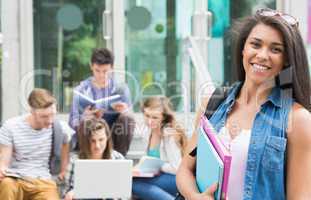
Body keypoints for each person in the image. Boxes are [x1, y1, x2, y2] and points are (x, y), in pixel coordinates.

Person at [176, 8, 311, 200]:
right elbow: (185, 170)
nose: (262, 55)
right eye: (255, 44)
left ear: (287, 59)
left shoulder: (298, 119)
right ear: (243, 49)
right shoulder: (213, 102)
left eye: (276, 49)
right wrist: (195, 196)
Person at [0, 88, 72, 199]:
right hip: (15, 178)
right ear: (32, 111)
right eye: (44, 116)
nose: (50, 120)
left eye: (52, 115)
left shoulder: (61, 128)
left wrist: (63, 171)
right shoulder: (11, 127)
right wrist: (2, 168)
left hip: (43, 180)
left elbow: (65, 149)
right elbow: (4, 162)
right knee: (6, 185)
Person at [69, 48, 135, 156]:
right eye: (97, 70)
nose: (101, 75)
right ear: (91, 66)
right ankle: (88, 156)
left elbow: (130, 119)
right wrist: (84, 116)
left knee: (127, 119)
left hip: (112, 136)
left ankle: (119, 159)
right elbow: (72, 123)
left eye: (106, 71)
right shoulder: (81, 90)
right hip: (90, 137)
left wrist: (125, 111)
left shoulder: (121, 89)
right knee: (86, 121)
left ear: (112, 68)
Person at [132, 96, 187, 200]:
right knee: (133, 182)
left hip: (177, 179)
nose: (149, 121)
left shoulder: (169, 134)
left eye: (155, 117)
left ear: (163, 118)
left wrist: (158, 165)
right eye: (147, 115)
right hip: (160, 176)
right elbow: (148, 159)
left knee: (135, 185)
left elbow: (177, 168)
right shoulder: (147, 132)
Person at [64, 114, 124, 200]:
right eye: (93, 141)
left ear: (107, 138)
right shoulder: (75, 160)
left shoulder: (118, 158)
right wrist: (72, 193)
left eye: (101, 140)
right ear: (86, 141)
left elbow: (124, 192)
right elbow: (67, 191)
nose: (97, 146)